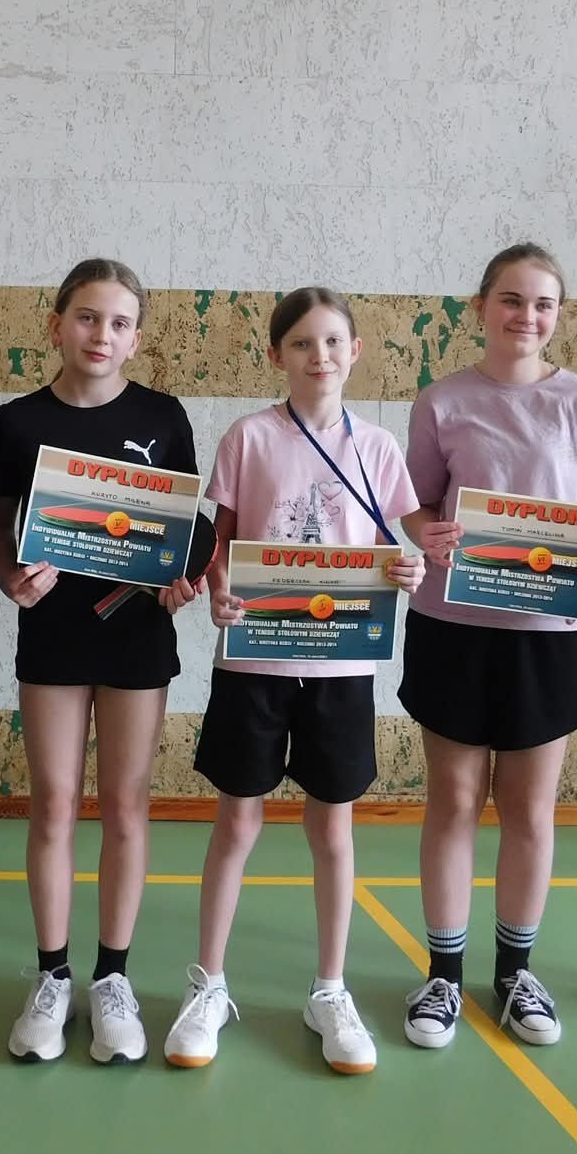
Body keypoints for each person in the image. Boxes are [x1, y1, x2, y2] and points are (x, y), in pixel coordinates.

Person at [163, 287, 424, 1076]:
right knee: (236, 823)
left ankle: (329, 990)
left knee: (332, 831)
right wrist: (217, 590)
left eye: (334, 341)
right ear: (276, 353)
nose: (320, 355)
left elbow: (398, 545)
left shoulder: (377, 446)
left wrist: (409, 569)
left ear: (356, 351)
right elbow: (222, 542)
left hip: (341, 667)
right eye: (303, 343)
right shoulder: (249, 437)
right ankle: (209, 986)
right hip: (255, 661)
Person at [398, 243, 577, 1051]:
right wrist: (429, 532)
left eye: (543, 304)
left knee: (529, 808)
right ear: (481, 307)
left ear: (558, 315)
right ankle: (443, 976)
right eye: (512, 300)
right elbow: (414, 506)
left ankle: (517, 972)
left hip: (546, 639)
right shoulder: (441, 401)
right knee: (454, 802)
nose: (528, 316)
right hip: (452, 630)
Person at [0, 258, 201, 1066]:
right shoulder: (19, 421)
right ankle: (52, 977)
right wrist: (7, 575)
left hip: (136, 635)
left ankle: (113, 978)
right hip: (53, 634)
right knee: (51, 803)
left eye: (117, 323)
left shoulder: (163, 416)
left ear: (135, 339)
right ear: (56, 325)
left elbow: (187, 525)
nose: (100, 334)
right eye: (85, 317)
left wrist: (182, 579)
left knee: (125, 805)